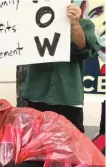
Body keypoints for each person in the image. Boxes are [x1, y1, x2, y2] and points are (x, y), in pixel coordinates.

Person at [22, 3, 100, 133]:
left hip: (68, 98)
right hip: (35, 96)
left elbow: (83, 47)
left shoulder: (85, 24)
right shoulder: (30, 22)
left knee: (71, 145)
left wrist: (75, 24)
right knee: (33, 143)